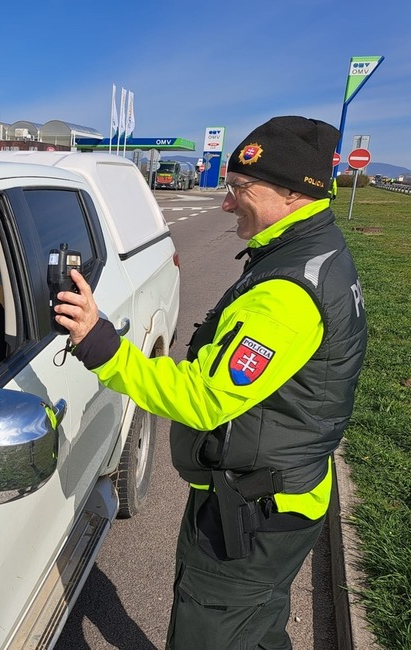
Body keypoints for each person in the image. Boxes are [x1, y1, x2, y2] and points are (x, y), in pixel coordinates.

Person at [53, 116, 368, 649]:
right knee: (256, 625)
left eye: (240, 189)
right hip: (278, 496)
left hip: (253, 513)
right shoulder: (314, 253)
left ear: (294, 192)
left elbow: (203, 399)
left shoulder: (288, 293)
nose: (226, 203)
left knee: (216, 630)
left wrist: (99, 344)